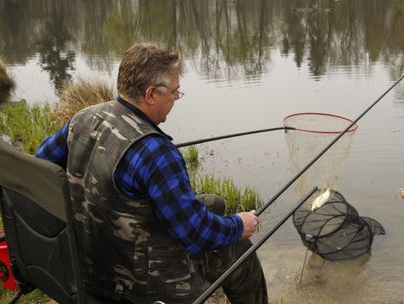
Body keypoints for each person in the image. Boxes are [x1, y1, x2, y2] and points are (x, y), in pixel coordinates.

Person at [36, 43, 268, 304]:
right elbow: (195, 234)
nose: (176, 98)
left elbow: (41, 165)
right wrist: (239, 225)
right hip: (137, 285)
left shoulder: (84, 118)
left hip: (88, 262)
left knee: (214, 203)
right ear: (150, 94)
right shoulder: (156, 152)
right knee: (238, 248)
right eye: (174, 91)